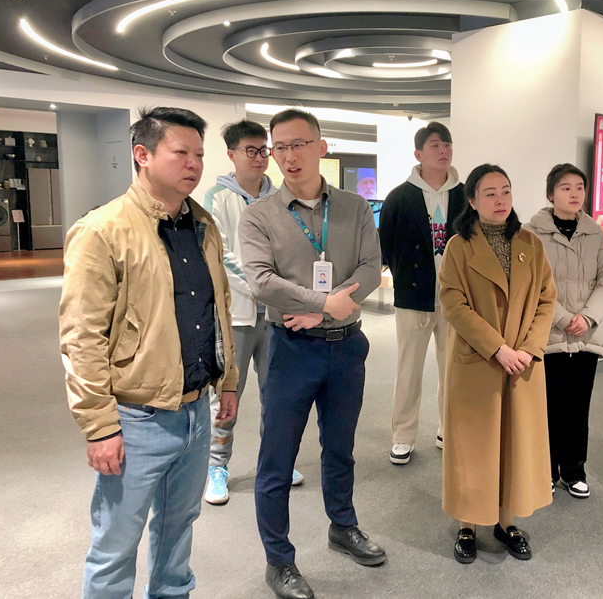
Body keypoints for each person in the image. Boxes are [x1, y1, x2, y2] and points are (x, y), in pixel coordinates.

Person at [59, 107, 239, 598]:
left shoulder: (202, 225)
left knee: (178, 534)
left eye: (199, 154)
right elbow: (81, 338)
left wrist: (227, 380)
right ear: (142, 154)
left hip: (195, 410)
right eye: (181, 152)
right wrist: (100, 427)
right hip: (136, 418)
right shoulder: (102, 230)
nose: (194, 164)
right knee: (116, 546)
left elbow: (217, 308)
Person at [239, 108, 386, 599]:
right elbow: (261, 282)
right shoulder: (259, 215)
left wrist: (324, 311)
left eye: (298, 144)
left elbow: (371, 266)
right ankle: (278, 559)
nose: (289, 155)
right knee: (277, 458)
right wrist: (323, 304)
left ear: (322, 147)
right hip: (289, 349)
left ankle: (342, 526)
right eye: (279, 147)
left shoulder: (354, 207)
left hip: (347, 348)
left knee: (340, 448)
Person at [439, 164, 557, 564]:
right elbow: (454, 304)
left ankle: (507, 523)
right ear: (472, 201)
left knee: (514, 444)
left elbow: (546, 299)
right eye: (489, 193)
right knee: (475, 446)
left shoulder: (530, 243)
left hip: (522, 362)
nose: (500, 199)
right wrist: (497, 348)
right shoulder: (459, 246)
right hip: (479, 360)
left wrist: (528, 347)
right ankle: (468, 525)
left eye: (505, 190)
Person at [202, 120, 303, 506]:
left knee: (277, 394)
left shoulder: (280, 196)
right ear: (232, 154)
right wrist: (263, 285)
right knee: (227, 396)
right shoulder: (216, 198)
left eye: (265, 150)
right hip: (237, 317)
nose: (261, 157)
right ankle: (217, 466)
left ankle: (276, 462)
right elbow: (221, 255)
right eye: (252, 150)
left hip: (276, 316)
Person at [526, 163, 603, 499]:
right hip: (548, 334)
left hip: (585, 337)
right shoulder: (531, 234)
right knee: (547, 406)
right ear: (551, 194)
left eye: (579, 187)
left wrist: (588, 317)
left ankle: (574, 470)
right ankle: (546, 471)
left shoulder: (595, 233)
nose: (574, 193)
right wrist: (564, 318)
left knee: (579, 408)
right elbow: (531, 284)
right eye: (565, 187)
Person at [379, 121, 465, 465]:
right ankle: (403, 436)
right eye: (435, 145)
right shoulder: (399, 197)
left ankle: (449, 429)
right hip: (413, 299)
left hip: (456, 300)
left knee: (453, 371)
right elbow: (386, 246)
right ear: (418, 154)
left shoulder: (465, 195)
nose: (443, 150)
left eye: (447, 144)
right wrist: (404, 279)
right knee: (408, 372)